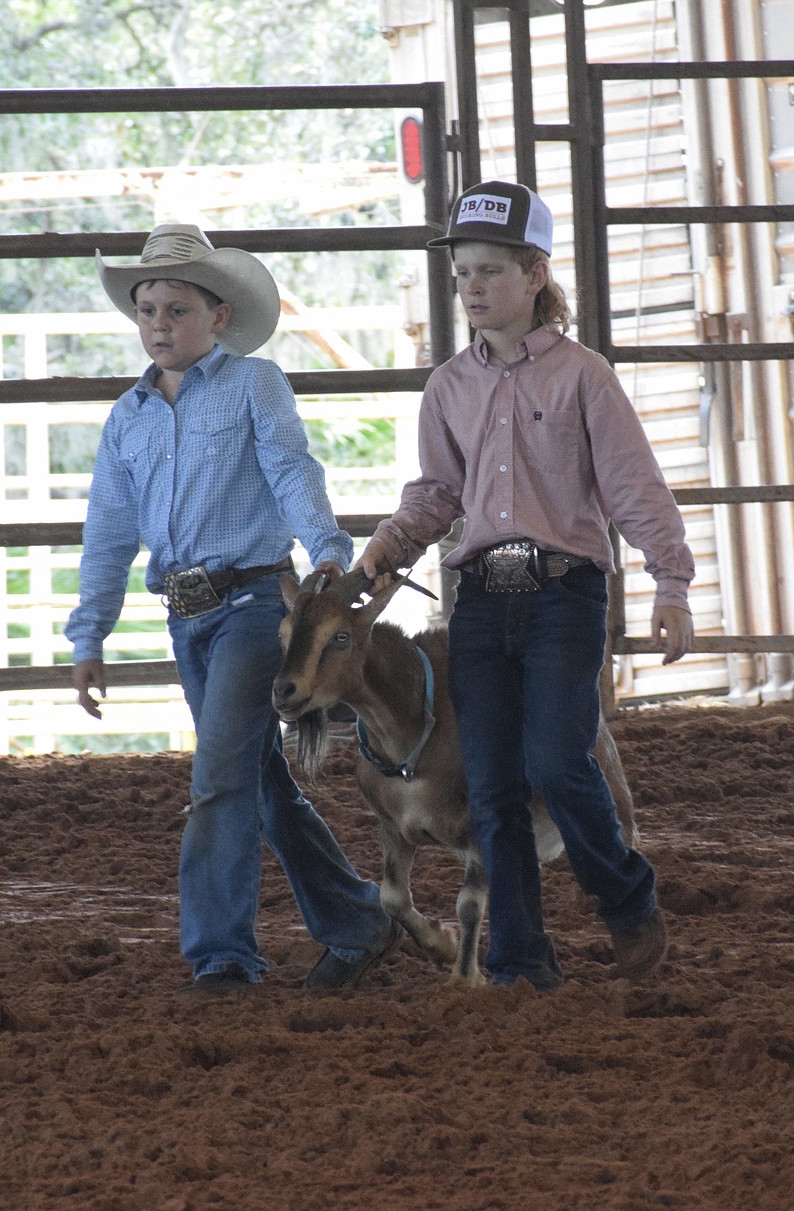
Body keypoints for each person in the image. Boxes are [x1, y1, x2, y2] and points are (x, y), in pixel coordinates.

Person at [358, 181, 694, 990]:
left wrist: (670, 581)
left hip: (563, 595)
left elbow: (631, 487)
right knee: (495, 784)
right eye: (461, 274)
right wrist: (394, 540)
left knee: (557, 757)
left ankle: (624, 892)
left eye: (488, 273)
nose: (471, 289)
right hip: (478, 599)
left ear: (535, 275)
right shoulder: (449, 387)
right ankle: (517, 960)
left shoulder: (584, 378)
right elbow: (439, 492)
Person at [65, 223, 401, 995]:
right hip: (186, 617)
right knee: (258, 781)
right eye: (147, 309)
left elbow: (291, 466)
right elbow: (109, 533)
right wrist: (90, 633)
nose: (158, 324)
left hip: (256, 606)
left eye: (176, 310)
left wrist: (324, 546)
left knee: (218, 776)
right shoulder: (129, 417)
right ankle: (357, 918)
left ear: (218, 316)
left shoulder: (256, 384)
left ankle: (221, 956)